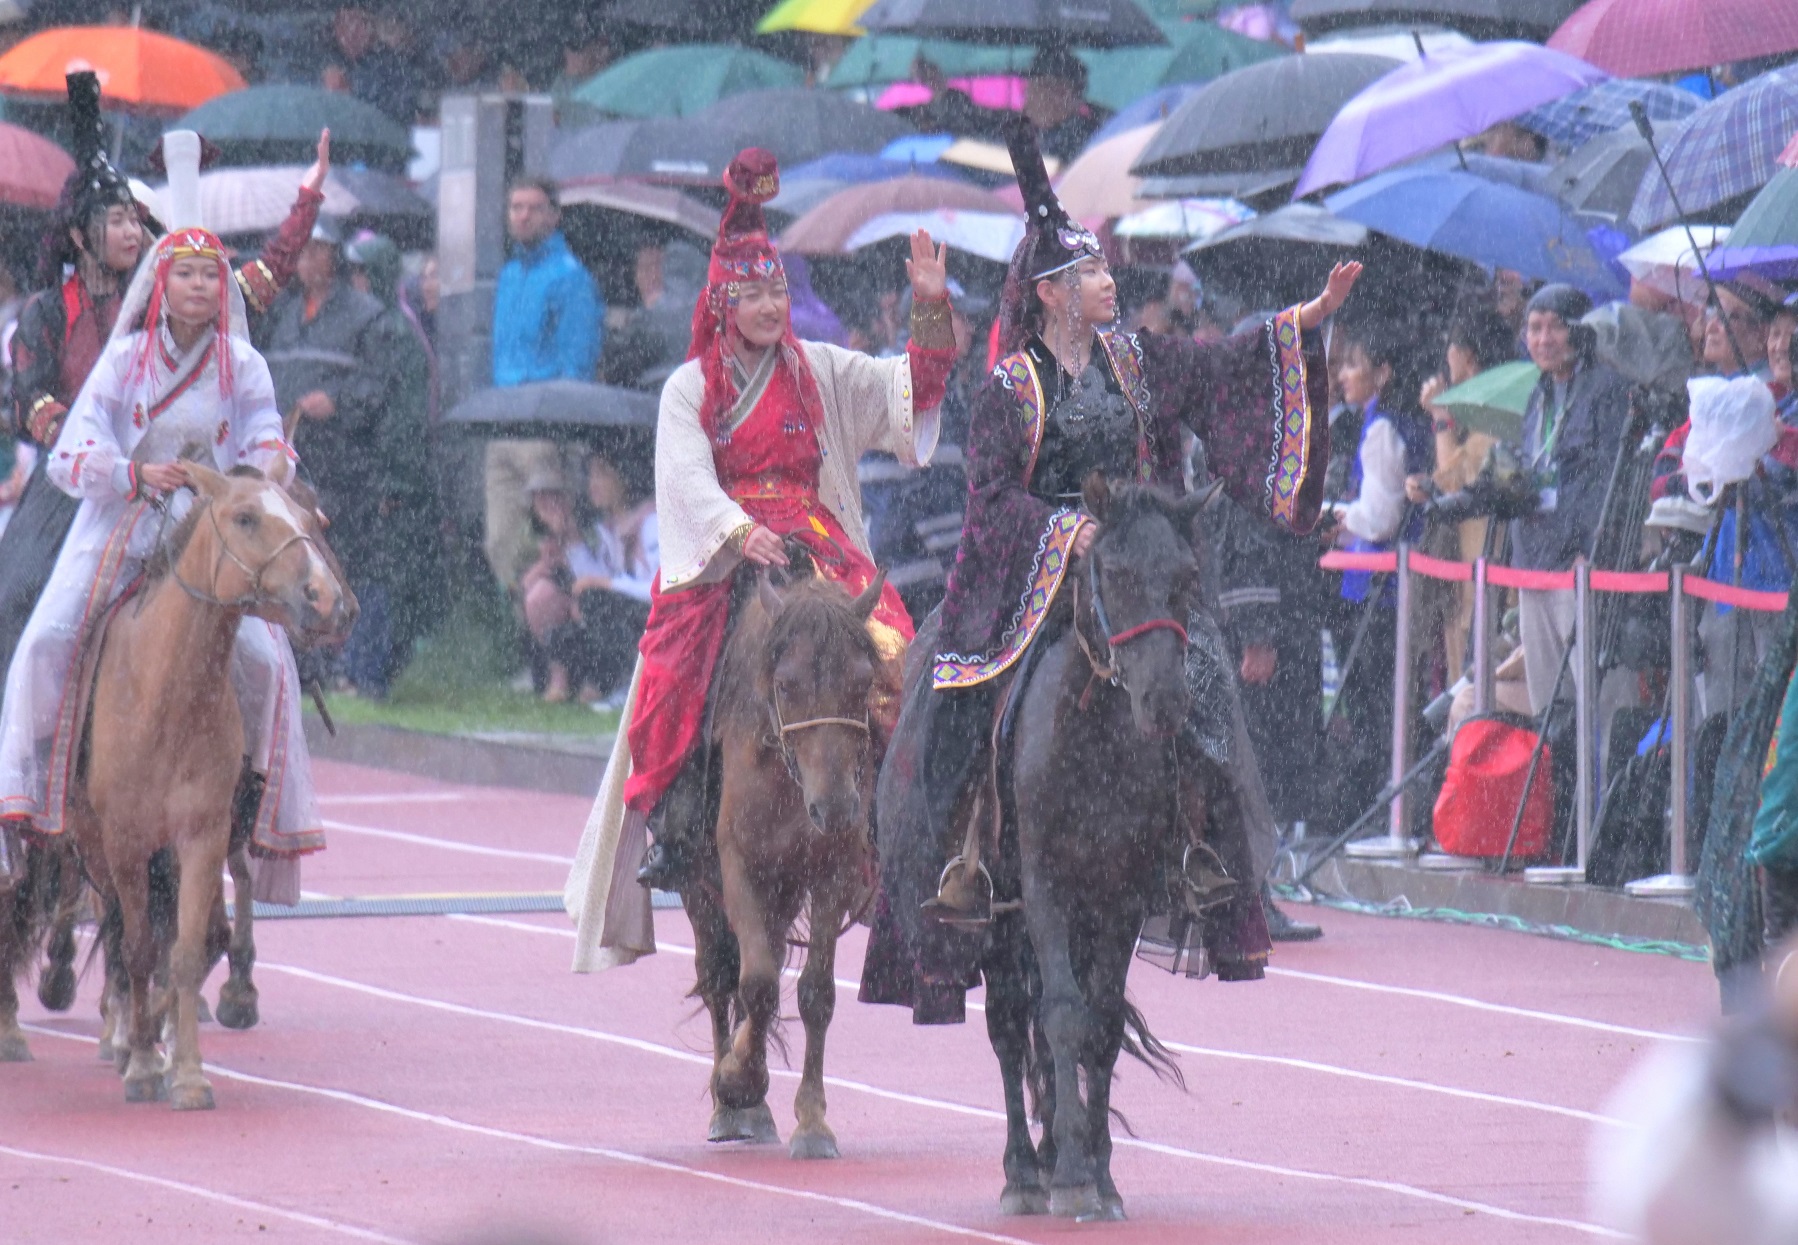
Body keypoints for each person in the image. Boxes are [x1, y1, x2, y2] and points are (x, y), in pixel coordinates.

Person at [858, 118, 1357, 1024]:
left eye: (1104, 270)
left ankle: (1203, 859)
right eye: (1090, 272)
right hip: (1030, 573)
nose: (1107, 282)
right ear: (1051, 293)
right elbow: (989, 496)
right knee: (955, 702)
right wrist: (1062, 532)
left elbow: (1221, 368)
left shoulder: (1137, 359)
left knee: (1203, 685)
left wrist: (1305, 322)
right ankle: (962, 862)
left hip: (1129, 564)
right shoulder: (1010, 388)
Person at [562, 147, 958, 971]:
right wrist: (739, 532)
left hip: (817, 545)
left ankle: (899, 828)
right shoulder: (690, 388)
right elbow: (684, 477)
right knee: (673, 686)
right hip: (725, 558)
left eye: (779, 291)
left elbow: (909, 391)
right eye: (755, 294)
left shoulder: (819, 370)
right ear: (723, 302)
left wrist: (928, 309)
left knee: (893, 660)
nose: (773, 305)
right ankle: (678, 829)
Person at [0, 130, 323, 881]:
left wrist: (264, 471)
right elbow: (54, 426)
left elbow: (267, 430)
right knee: (36, 628)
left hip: (207, 519)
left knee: (268, 659)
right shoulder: (79, 329)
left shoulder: (239, 357)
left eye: (134, 220)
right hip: (105, 504)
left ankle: (254, 798)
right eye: (116, 219)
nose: (129, 231)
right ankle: (28, 782)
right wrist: (130, 472)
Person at [1512, 284, 1632, 715]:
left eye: (1555, 327)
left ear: (1579, 331)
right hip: (1534, 560)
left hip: (1581, 562)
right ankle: (1556, 765)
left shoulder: (1607, 389)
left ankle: (1599, 768)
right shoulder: (1536, 394)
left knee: (1598, 702)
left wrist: (1591, 548)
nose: (1543, 339)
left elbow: (1612, 478)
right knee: (1548, 706)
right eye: (1535, 328)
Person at [338, 230, 443, 698]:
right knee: (367, 571)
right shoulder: (376, 325)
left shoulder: (394, 332)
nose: (355, 282)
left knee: (384, 576)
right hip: (372, 476)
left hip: (394, 483)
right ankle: (354, 668)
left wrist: (392, 482)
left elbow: (404, 417)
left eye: (362, 272)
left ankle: (367, 674)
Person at [486, 176, 602, 596]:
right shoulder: (509, 275)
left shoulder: (570, 278)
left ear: (554, 216)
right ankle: (524, 622)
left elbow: (578, 360)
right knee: (502, 542)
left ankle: (562, 620)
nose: (522, 216)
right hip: (504, 421)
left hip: (544, 425)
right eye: (516, 207)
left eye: (533, 208)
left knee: (552, 535)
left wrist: (562, 425)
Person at [520, 456, 656, 705]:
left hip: (650, 622)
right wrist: (570, 536)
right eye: (591, 474)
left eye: (602, 473)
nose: (593, 482)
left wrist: (608, 585)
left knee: (593, 601)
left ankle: (623, 682)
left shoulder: (650, 522)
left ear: (624, 477)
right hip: (622, 615)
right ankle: (581, 679)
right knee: (566, 626)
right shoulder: (609, 529)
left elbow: (664, 589)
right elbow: (590, 579)